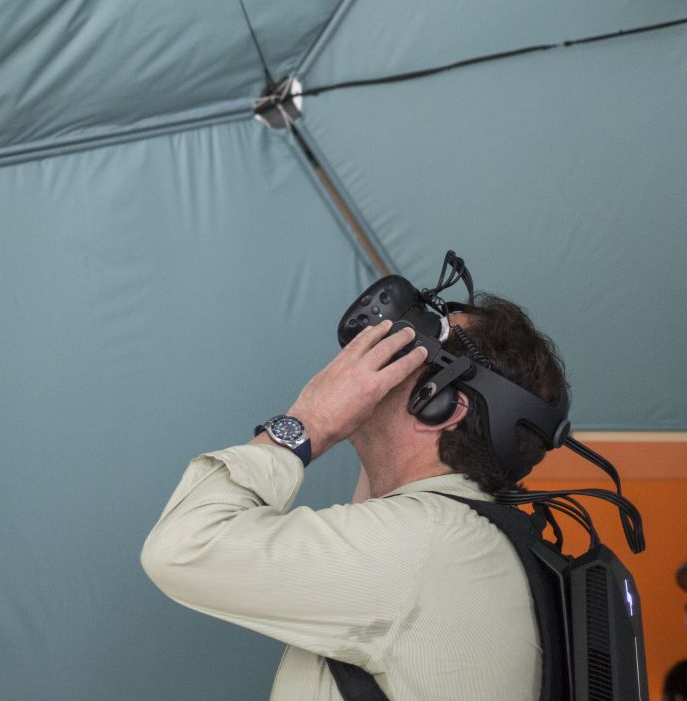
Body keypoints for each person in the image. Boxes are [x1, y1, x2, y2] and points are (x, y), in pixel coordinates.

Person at [141, 294, 566, 701]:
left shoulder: (427, 542)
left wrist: (310, 420)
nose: (381, 352)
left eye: (417, 344)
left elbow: (185, 546)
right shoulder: (454, 537)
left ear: (439, 403)